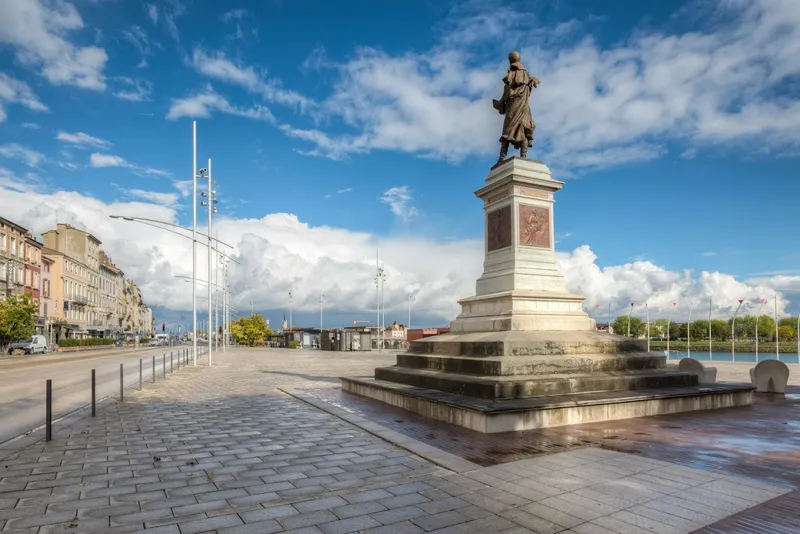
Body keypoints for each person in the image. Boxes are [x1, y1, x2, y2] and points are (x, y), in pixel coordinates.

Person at [492, 51, 540, 167]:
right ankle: (523, 156)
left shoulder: (513, 73)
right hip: (524, 107)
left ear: (510, 60)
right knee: (522, 129)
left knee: (507, 131)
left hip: (514, 107)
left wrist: (499, 103)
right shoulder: (527, 76)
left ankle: (502, 158)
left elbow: (508, 92)